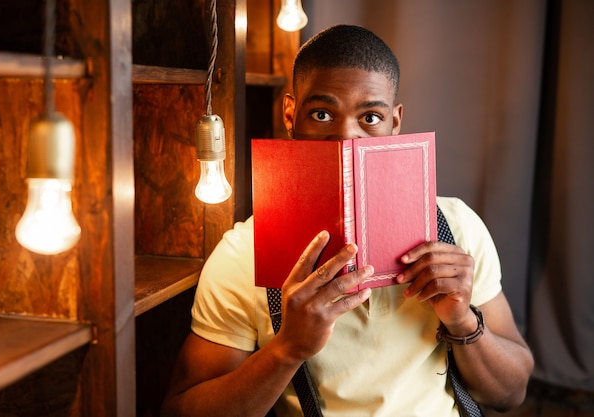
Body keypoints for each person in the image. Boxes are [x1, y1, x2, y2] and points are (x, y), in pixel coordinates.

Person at [161, 24, 533, 417]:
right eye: (322, 114)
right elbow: (181, 410)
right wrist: (289, 348)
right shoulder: (242, 254)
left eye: (370, 117)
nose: (346, 138)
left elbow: (511, 394)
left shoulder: (456, 226)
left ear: (396, 122)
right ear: (290, 113)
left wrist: (462, 321)